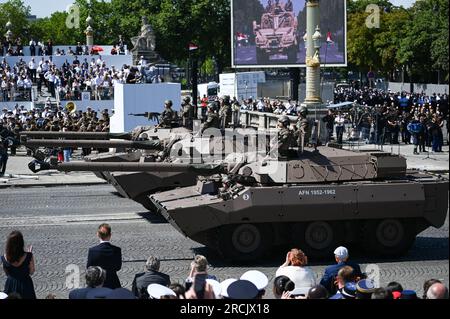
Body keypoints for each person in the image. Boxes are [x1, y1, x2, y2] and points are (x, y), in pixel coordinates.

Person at [1, 231, 36, 299]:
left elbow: (7, 273)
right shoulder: (28, 256)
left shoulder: (4, 258)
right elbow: (32, 271)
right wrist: (29, 255)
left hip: (10, 284)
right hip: (26, 284)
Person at [87, 223, 122, 289]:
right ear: (110, 235)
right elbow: (118, 267)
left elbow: (89, 268)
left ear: (98, 234)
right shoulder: (117, 250)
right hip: (113, 283)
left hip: (96, 283)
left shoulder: (92, 250)